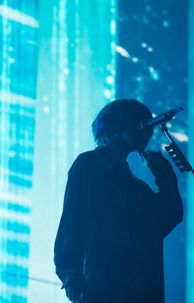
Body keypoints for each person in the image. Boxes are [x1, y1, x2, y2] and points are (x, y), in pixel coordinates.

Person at [54, 99, 183, 303]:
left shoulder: (136, 187)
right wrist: (72, 274)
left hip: (138, 290)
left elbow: (168, 216)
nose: (148, 130)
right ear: (119, 126)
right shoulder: (89, 164)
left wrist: (163, 174)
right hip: (103, 286)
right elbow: (72, 220)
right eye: (140, 123)